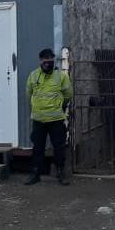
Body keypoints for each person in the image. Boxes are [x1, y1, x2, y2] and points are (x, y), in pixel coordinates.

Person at [25, 48, 73, 186]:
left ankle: (61, 173)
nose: (48, 64)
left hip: (56, 120)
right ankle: (35, 174)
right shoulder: (33, 76)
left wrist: (60, 107)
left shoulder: (61, 76)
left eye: (50, 61)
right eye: (45, 61)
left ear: (53, 60)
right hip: (39, 120)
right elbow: (29, 94)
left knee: (59, 148)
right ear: (40, 61)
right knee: (37, 148)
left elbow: (68, 94)